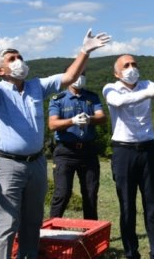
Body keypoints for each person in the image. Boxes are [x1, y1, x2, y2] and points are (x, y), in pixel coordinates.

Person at [0, 16, 110, 259]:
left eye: (20, 58)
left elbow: (69, 77)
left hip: (36, 163)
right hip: (6, 165)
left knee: (32, 222)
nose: (19, 62)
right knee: (6, 224)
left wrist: (85, 52)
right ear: (1, 70)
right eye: (12, 59)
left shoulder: (36, 86)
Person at [102, 54, 154, 259]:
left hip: (148, 150)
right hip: (123, 152)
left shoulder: (147, 85)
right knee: (127, 205)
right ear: (117, 73)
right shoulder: (111, 88)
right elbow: (119, 102)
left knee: (152, 204)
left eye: (134, 64)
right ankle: (131, 253)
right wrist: (148, 93)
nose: (131, 68)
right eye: (126, 65)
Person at [48, 70, 106, 220]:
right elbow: (53, 124)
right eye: (76, 74)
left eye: (83, 74)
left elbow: (101, 117)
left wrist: (90, 119)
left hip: (88, 151)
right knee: (62, 193)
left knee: (90, 193)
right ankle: (53, 230)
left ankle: (90, 233)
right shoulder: (58, 99)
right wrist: (72, 121)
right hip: (65, 152)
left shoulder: (92, 97)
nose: (80, 78)